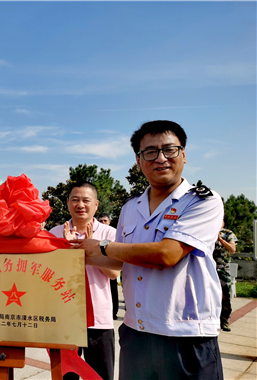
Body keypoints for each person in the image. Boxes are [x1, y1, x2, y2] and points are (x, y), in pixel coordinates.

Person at [73, 120, 224, 380]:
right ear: (138, 160)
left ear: (184, 154)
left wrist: (103, 246)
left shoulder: (202, 201)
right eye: (150, 152)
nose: (161, 158)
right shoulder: (131, 207)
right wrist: (72, 255)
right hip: (136, 334)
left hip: (185, 336)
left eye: (170, 150)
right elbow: (119, 260)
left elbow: (167, 254)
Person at [49, 183, 118, 380]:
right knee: (65, 376)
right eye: (75, 200)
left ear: (95, 205)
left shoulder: (108, 234)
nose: (81, 205)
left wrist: (88, 252)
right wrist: (67, 253)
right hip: (64, 318)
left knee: (100, 375)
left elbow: (113, 273)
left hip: (99, 318)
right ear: (68, 203)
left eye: (86, 200)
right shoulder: (54, 234)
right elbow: (49, 273)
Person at [213, 221, 237, 332]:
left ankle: (224, 321)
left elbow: (232, 250)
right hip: (208, 268)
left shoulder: (228, 234)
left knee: (224, 295)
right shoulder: (207, 230)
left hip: (222, 269)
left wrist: (220, 240)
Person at [98, 213, 119, 320]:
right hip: (97, 266)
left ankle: (114, 312)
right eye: (101, 221)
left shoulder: (113, 232)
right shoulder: (96, 232)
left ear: (109, 222)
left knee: (113, 289)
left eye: (105, 220)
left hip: (110, 265)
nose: (103, 223)